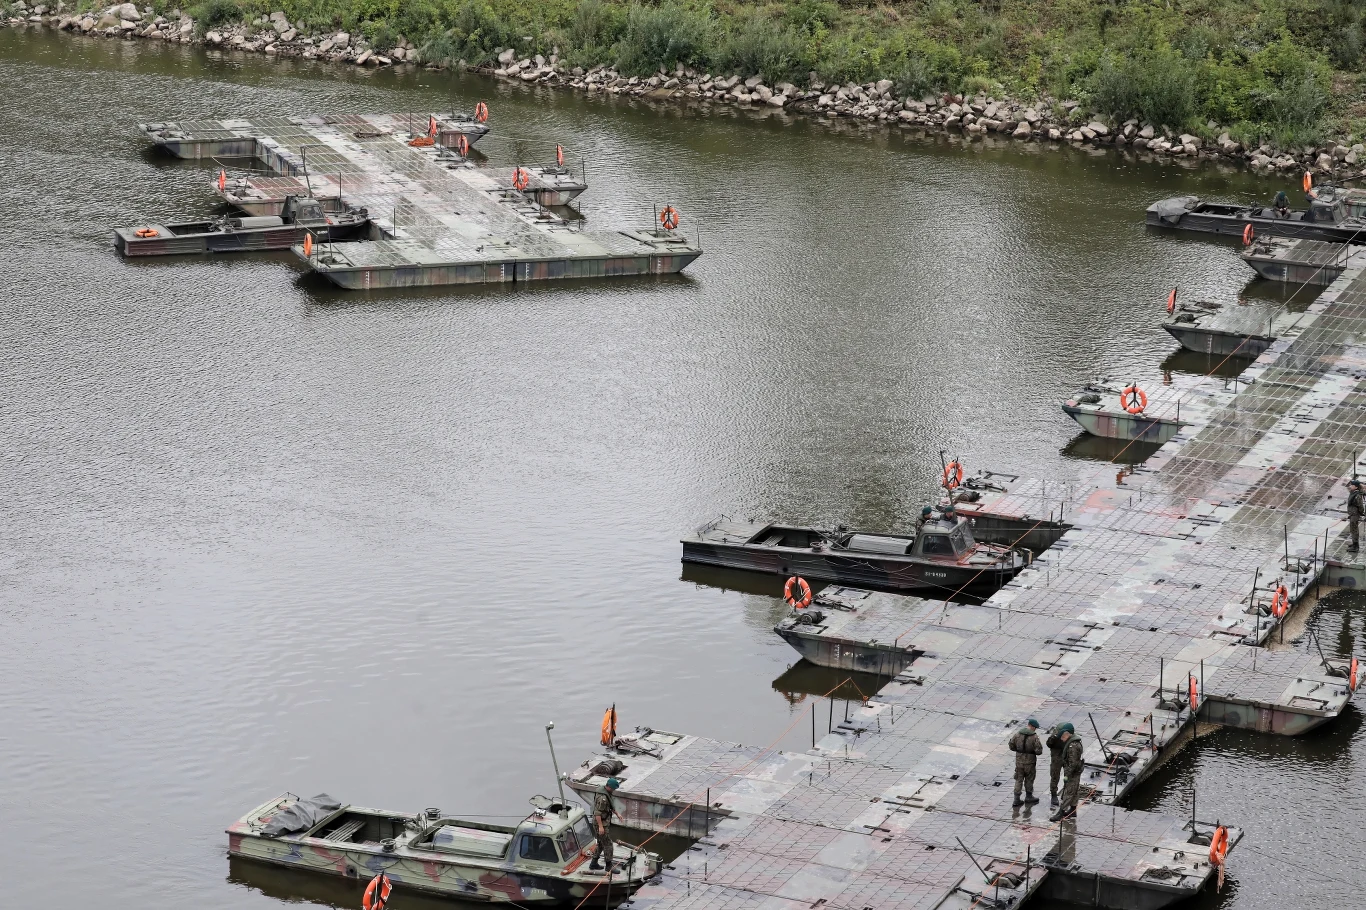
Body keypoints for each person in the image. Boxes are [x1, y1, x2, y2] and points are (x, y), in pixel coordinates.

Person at [1049, 724, 1084, 822]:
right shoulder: (1075, 742)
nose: (1062, 740)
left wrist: (1067, 775)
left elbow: (1072, 763)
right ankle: (1073, 810)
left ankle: (1061, 812)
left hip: (1072, 772)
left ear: (1066, 735)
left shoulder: (1072, 746)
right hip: (1076, 771)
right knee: (1074, 791)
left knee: (1068, 792)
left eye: (1062, 738)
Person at [1008, 718, 1043, 807]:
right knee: (1029, 779)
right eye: (1035, 727)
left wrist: (1019, 751)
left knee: (1018, 779)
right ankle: (1029, 796)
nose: (1035, 729)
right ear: (1031, 726)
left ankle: (1016, 799)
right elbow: (1039, 751)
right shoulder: (1034, 737)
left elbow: (1011, 745)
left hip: (1019, 761)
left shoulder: (1018, 734)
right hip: (1030, 762)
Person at [588, 777, 619, 871]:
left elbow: (609, 807)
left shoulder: (605, 792)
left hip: (601, 822)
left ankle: (593, 863)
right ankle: (609, 866)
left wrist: (617, 814)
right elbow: (597, 813)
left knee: (601, 843)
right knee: (608, 844)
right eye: (613, 789)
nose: (613, 791)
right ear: (609, 787)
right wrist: (601, 827)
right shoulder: (603, 798)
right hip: (600, 823)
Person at [1045, 724, 1065, 807]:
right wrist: (1054, 738)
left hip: (1066, 757)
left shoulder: (1069, 736)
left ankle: (1066, 792)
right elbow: (1049, 744)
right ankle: (1054, 794)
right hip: (1056, 758)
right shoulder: (1054, 737)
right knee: (1054, 776)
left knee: (1068, 776)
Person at [1348, 479, 1363, 553]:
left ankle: (1356, 546)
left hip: (1355, 514)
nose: (1350, 486)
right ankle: (1354, 543)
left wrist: (1360, 513)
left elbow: (1360, 506)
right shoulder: (1352, 492)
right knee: (1352, 529)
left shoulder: (1357, 495)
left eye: (1352, 485)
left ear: (1356, 487)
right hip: (1352, 514)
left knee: (1354, 530)